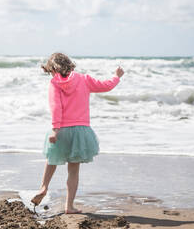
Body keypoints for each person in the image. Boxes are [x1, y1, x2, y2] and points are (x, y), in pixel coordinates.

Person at [31, 52, 124, 214]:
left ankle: (44, 187)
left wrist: (55, 129)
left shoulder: (54, 83)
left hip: (61, 129)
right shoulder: (84, 79)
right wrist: (116, 77)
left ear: (53, 69)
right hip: (80, 131)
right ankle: (69, 206)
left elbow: (55, 107)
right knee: (73, 170)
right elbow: (105, 86)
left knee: (51, 159)